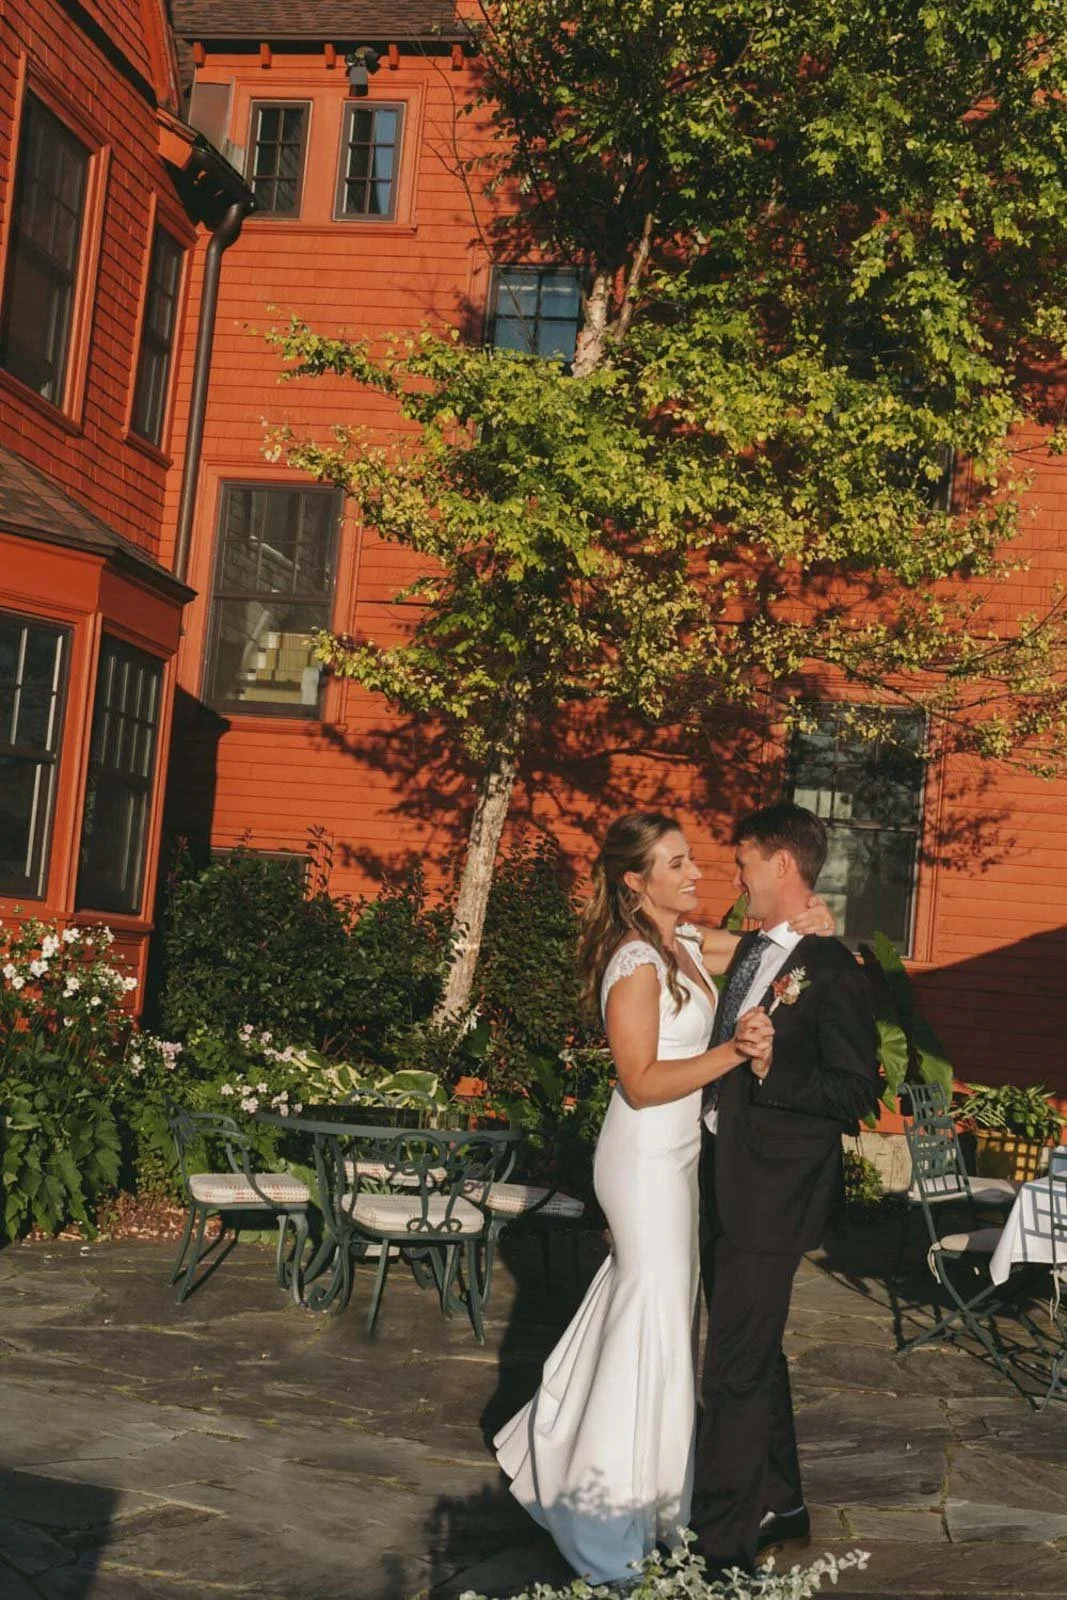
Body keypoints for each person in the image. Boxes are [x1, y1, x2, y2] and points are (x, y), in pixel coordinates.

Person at [493, 810, 835, 1587]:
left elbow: (762, 952)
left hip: (680, 1158)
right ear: (634, 881)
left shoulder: (680, 943)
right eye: (676, 864)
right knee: (652, 1314)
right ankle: (609, 1510)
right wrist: (731, 1052)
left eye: (692, 861)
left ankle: (617, 1476)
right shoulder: (633, 964)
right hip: (644, 1157)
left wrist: (814, 920)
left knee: (659, 1312)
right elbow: (641, 1082)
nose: (696, 874)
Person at [690, 802, 879, 1579]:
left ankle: (721, 1552)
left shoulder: (833, 970)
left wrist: (773, 1070)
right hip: (721, 1175)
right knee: (752, 1353)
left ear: (781, 866)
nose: (733, 878)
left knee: (732, 1368)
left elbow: (857, 1092)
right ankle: (783, 1500)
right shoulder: (755, 952)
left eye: (742, 864)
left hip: (773, 1190)